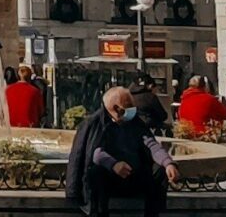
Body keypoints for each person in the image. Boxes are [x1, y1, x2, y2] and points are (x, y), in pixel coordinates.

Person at [67, 86, 180, 217]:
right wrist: (114, 164)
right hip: (110, 179)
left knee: (159, 171)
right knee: (95, 173)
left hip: (134, 176)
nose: (132, 110)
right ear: (116, 109)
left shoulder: (135, 123)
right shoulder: (96, 124)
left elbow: (151, 144)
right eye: (128, 106)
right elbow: (95, 152)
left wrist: (168, 163)